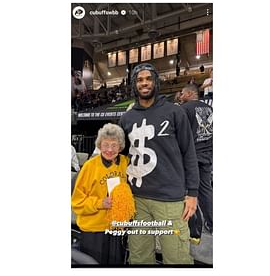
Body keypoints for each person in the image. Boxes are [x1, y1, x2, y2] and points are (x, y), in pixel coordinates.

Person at [119, 63, 199, 265]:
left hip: (170, 200)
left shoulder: (174, 112)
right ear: (134, 85)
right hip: (137, 199)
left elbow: (189, 152)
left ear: (155, 82)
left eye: (148, 79)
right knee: (139, 257)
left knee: (177, 258)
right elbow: (123, 156)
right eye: (139, 80)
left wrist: (193, 193)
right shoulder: (127, 118)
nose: (144, 83)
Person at [71, 123, 132, 265]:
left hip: (117, 228)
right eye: (105, 145)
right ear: (99, 145)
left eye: (114, 145)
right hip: (94, 231)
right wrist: (100, 203)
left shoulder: (125, 163)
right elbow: (77, 202)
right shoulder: (89, 167)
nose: (109, 150)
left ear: (121, 146)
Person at [179, 84, 213, 235]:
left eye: (182, 93)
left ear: (190, 93)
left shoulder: (185, 109)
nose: (180, 96)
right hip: (207, 155)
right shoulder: (210, 109)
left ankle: (191, 227)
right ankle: (212, 222)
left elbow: (180, 135)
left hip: (191, 158)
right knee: (206, 190)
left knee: (187, 193)